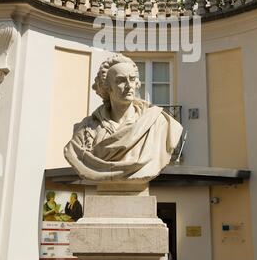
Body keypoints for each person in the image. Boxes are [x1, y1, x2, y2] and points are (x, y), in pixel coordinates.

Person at [64, 54, 183, 182]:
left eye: (132, 79)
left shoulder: (158, 122)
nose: (128, 85)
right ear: (107, 87)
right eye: (121, 80)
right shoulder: (86, 129)